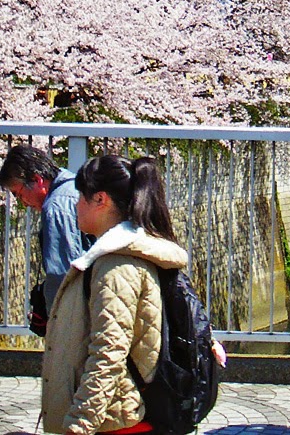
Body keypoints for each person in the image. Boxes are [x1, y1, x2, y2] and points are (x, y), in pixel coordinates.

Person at [41, 154, 189, 435]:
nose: (75, 205)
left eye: (80, 197)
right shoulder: (118, 256)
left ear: (100, 200)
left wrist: (79, 424)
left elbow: (108, 353)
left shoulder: (117, 267)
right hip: (115, 414)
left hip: (114, 421)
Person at [0, 144, 90, 333]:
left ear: (38, 180)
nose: (23, 203)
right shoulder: (74, 188)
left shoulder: (56, 206)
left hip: (74, 315)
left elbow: (63, 271)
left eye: (19, 194)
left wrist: (56, 319)